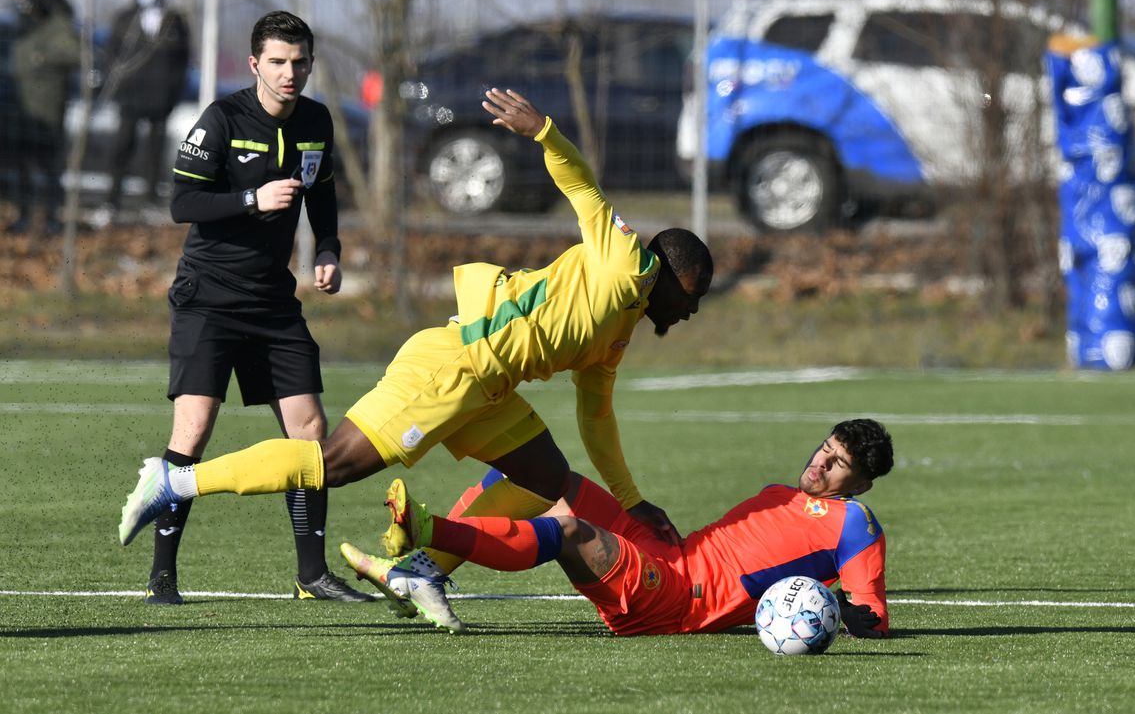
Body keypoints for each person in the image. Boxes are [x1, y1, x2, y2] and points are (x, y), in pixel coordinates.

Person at [120, 88, 714, 631]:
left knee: (548, 483)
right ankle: (175, 479)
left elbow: (598, 417)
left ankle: (421, 570)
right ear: (677, 277)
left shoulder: (620, 330)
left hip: (492, 388)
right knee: (334, 464)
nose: (691, 313)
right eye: (694, 299)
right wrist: (544, 132)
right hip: (451, 369)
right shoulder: (629, 262)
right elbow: (583, 186)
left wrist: (633, 500)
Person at [138, 10, 371, 605]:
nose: (289, 73)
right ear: (254, 65)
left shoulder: (317, 121)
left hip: (273, 301)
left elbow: (321, 190)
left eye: (299, 62)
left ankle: (312, 575)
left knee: (311, 431)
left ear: (310, 64)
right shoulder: (220, 120)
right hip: (208, 299)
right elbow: (182, 203)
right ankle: (162, 574)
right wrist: (251, 198)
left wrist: (328, 249)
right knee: (193, 431)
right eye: (277, 62)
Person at [343, 419, 894, 638]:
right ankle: (417, 576)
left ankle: (427, 529)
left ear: (861, 484)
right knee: (539, 477)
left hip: (680, 598)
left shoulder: (857, 525)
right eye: (824, 450)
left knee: (567, 529)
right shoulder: (784, 492)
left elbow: (872, 619)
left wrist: (838, 608)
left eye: (837, 463)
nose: (819, 464)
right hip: (668, 554)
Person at [101, 0, 190, 219]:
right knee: (122, 147)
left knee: (154, 151)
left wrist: (173, 90)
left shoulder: (174, 19)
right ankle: (112, 201)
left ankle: (149, 201)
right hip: (130, 97)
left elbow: (183, 58)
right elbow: (112, 55)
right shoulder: (125, 18)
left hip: (160, 98)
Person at [7, 0, 78, 235]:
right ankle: (24, 216)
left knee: (49, 167)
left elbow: (73, 53)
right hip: (21, 107)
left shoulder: (57, 22)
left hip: (48, 107)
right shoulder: (23, 22)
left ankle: (50, 218)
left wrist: (42, 57)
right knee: (22, 168)